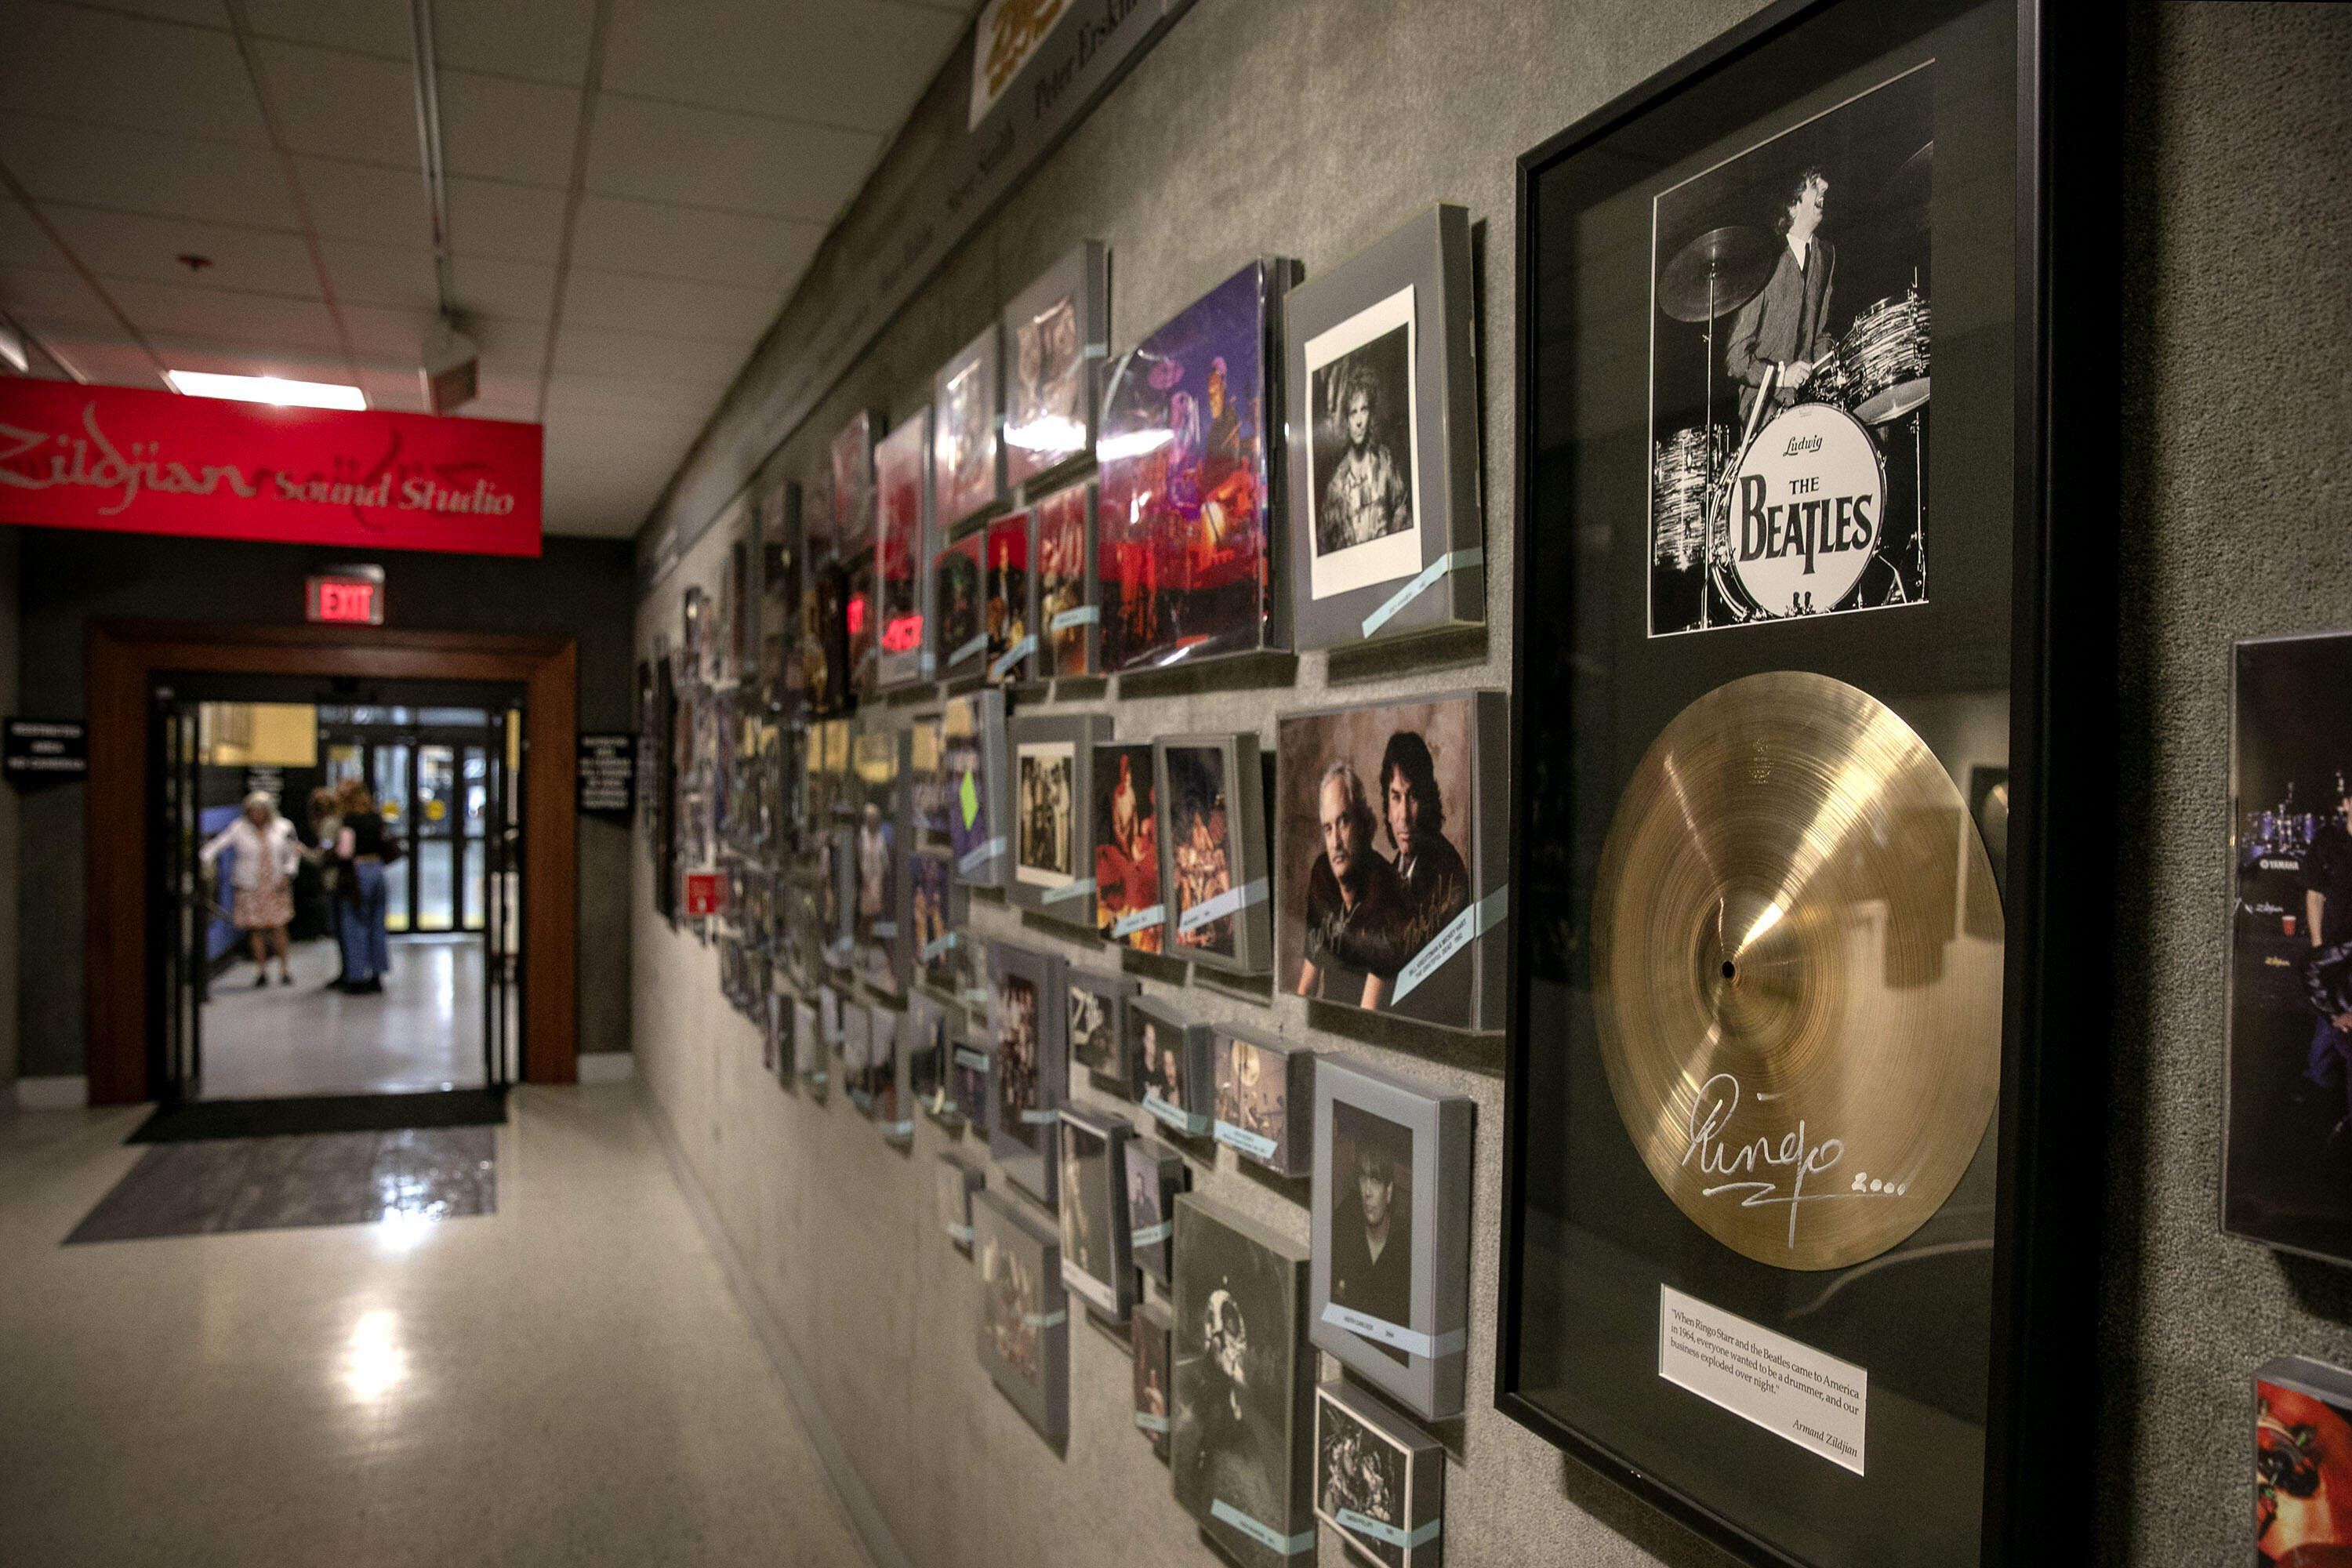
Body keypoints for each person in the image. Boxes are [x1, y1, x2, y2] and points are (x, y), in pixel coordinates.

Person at [1726, 165, 1838, 423]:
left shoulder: (1826, 255)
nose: (1826, 186)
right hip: (1762, 398)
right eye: (1814, 184)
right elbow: (1736, 358)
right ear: (1793, 205)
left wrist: (1831, 377)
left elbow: (1820, 335)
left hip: (1807, 396)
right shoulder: (1763, 260)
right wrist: (1782, 376)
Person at [1297, 761, 1406, 1007]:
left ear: (1364, 823)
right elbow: (1306, 986)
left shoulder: (1387, 891)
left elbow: (1368, 1015)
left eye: (1344, 822)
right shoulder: (1323, 875)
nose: (1335, 842)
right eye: (1327, 828)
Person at [199, 790, 300, 986]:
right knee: (255, 929)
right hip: (250, 886)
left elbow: (293, 854)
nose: (257, 815)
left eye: (261, 810)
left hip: (276, 884)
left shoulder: (284, 827)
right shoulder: (239, 828)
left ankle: (284, 969)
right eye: (253, 810)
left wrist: (288, 873)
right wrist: (204, 860)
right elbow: (216, 845)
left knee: (279, 926)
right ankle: (261, 970)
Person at [1317, 358, 1411, 554]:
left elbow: (1402, 511)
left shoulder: (1385, 463)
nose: (1359, 421)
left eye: (1364, 410)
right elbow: (1326, 547)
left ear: (1370, 415)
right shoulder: (1337, 485)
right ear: (1347, 420)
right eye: (1353, 413)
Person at [2303, 786, 2352, 1128]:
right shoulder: (2329, 842)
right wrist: (2320, 948)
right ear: (2347, 803)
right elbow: (2315, 895)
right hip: (2334, 952)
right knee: (2329, 1024)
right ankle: (2319, 1086)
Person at [335, 785, 393, 994]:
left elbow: (345, 851)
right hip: (377, 870)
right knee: (377, 924)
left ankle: (357, 977)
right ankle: (377, 974)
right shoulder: (376, 818)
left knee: (354, 923)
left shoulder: (350, 820)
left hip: (358, 872)